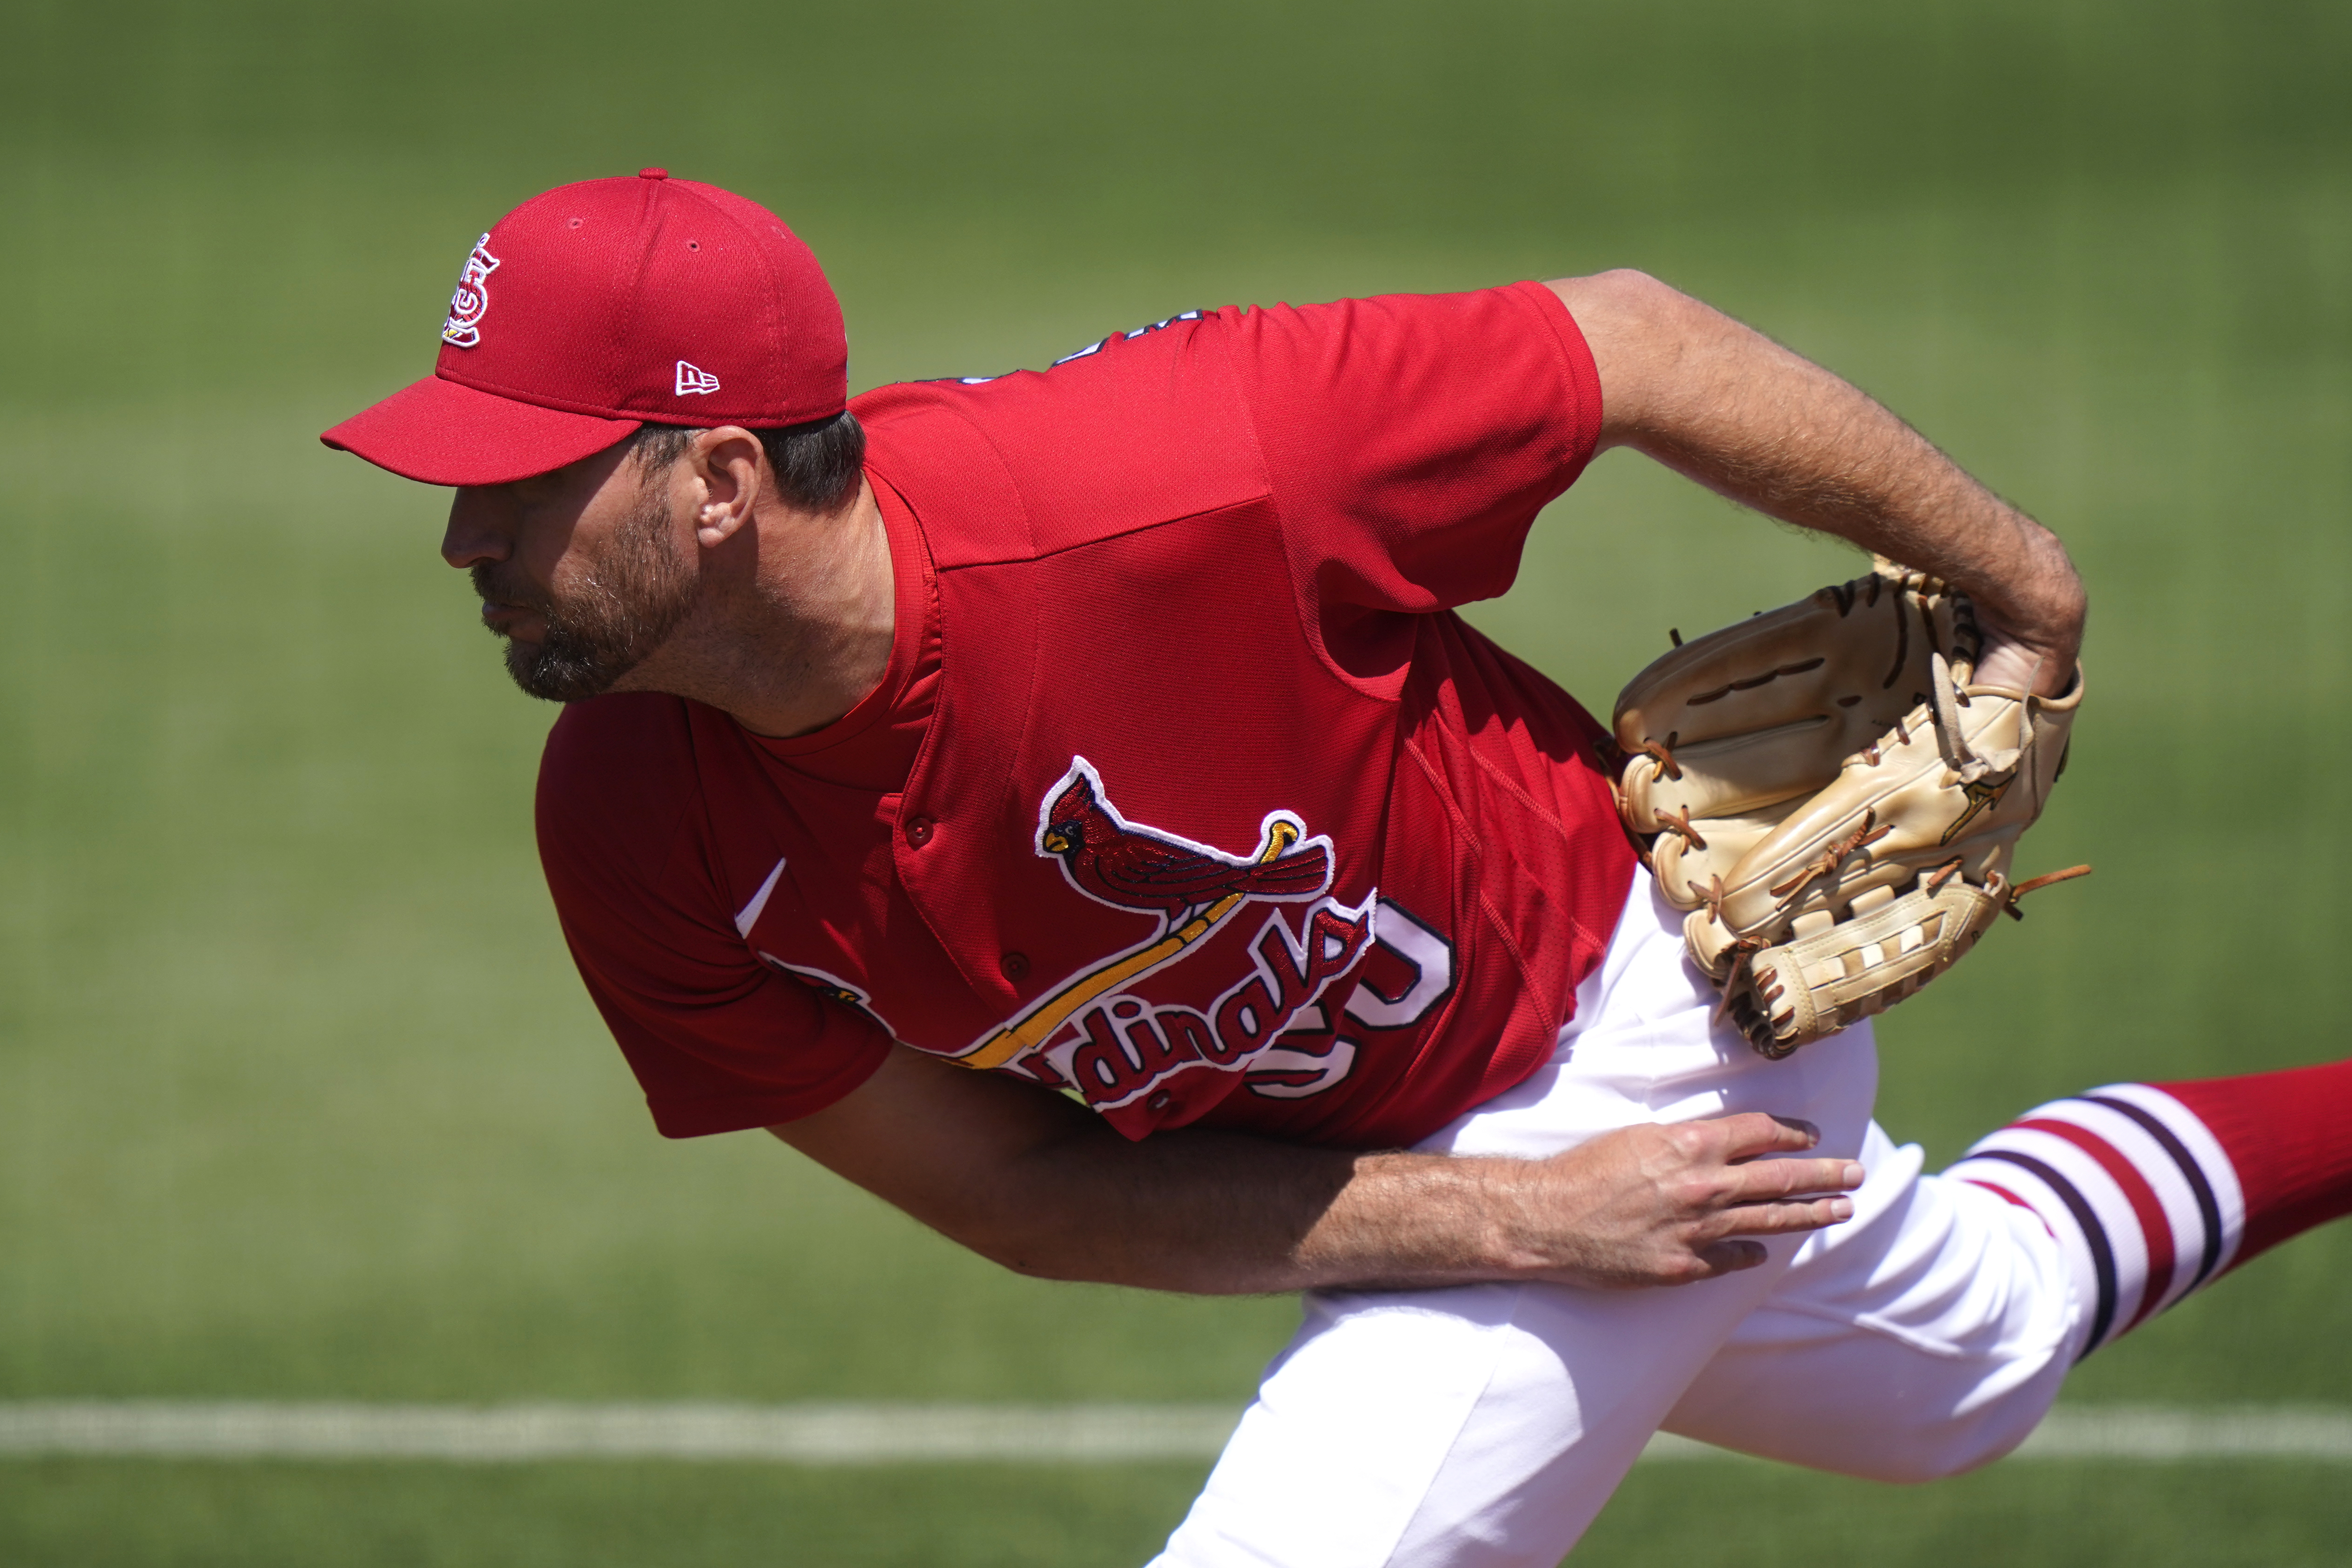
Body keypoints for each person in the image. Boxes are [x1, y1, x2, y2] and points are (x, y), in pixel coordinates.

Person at [323, 170, 2352, 1566]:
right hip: (1486, 1160)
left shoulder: (1179, 475)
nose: (460, 544)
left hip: (1640, 1008)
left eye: (516, 486)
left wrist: (2024, 584)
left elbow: (1627, 344)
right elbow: (1022, 1197)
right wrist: (1522, 1215)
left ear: (719, 484)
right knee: (1968, 1365)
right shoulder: (630, 829)